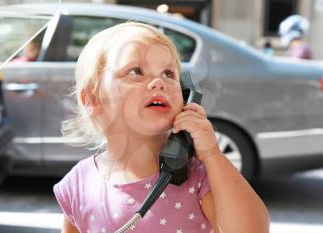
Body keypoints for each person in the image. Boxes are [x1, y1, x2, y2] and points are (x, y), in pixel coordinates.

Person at [53, 22, 269, 233]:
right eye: (136, 71)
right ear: (93, 99)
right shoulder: (78, 184)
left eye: (168, 74)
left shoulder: (197, 176)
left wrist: (212, 155)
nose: (158, 82)